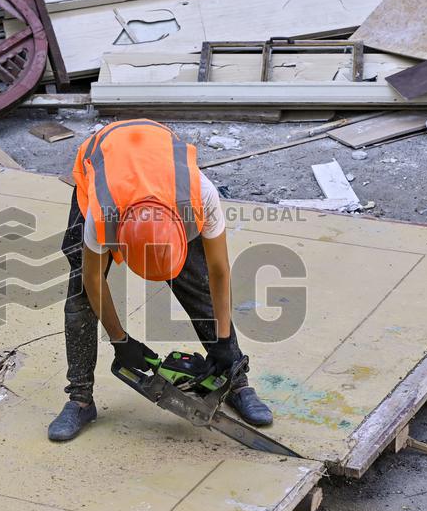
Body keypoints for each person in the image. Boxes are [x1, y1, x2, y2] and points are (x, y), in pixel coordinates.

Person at [48, 119, 274, 441]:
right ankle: (80, 398)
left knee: (197, 283)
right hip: (105, 161)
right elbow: (94, 279)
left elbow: (218, 270)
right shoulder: (101, 212)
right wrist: (119, 339)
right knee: (81, 296)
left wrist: (224, 340)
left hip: (159, 165)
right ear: (118, 241)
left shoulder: (200, 196)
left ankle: (236, 381)